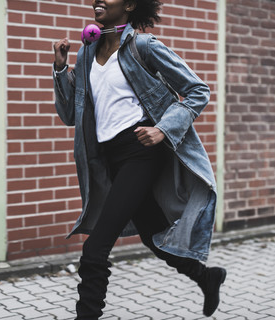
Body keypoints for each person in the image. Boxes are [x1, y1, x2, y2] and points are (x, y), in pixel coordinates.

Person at [52, 0, 226, 318]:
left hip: (141, 152)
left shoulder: (143, 46)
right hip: (110, 159)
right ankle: (207, 277)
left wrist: (162, 129)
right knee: (153, 236)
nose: (98, 1)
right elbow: (68, 115)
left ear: (130, 5)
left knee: (94, 249)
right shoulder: (86, 52)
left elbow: (198, 90)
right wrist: (62, 69)